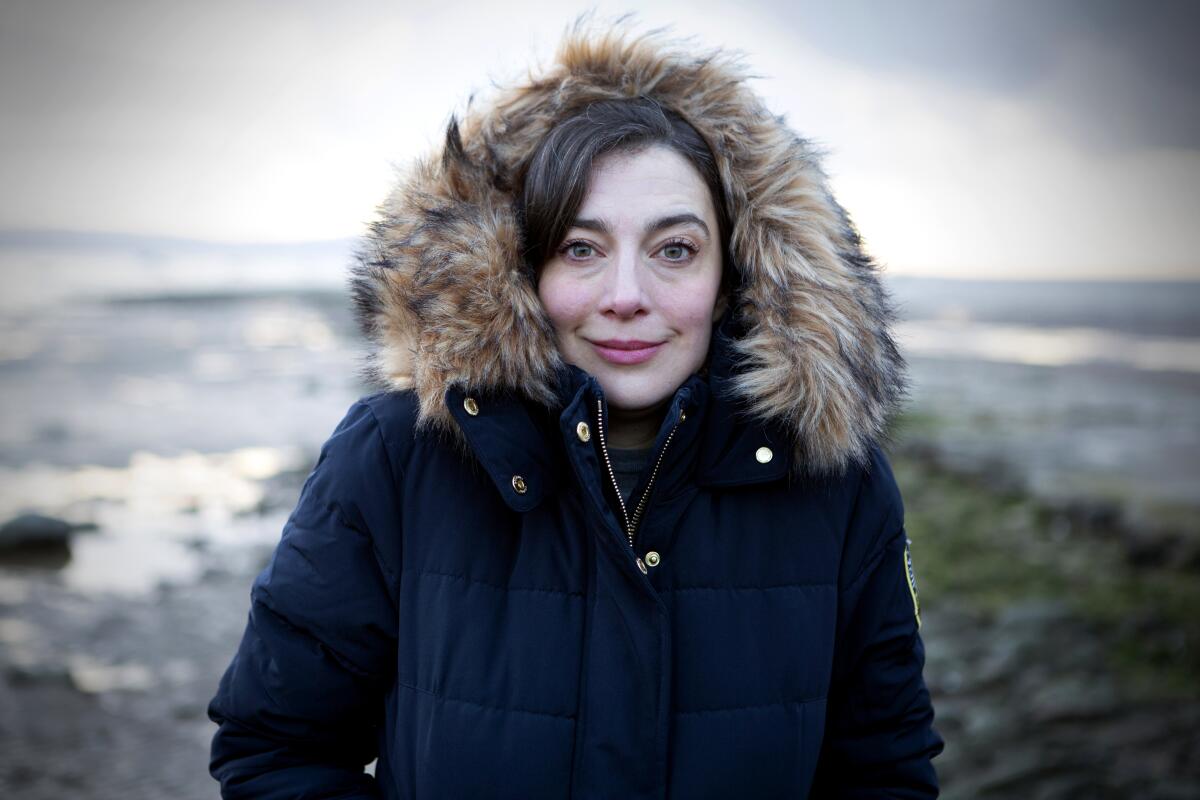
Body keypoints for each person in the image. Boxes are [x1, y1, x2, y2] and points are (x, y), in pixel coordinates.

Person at [207, 21, 943, 799]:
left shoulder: (837, 488)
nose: (626, 296)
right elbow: (276, 752)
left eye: (675, 250)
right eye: (581, 249)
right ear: (520, 270)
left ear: (735, 276)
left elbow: (884, 775)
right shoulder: (395, 458)